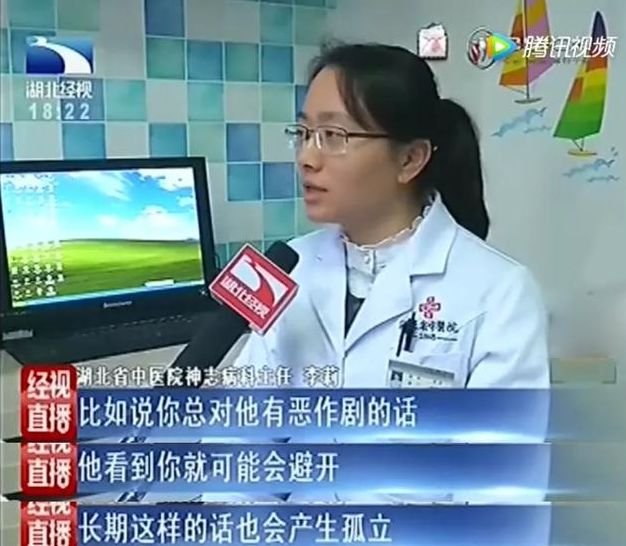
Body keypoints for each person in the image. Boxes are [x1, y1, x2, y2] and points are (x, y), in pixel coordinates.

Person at [229, 42, 550, 390]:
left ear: (410, 159)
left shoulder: (501, 293)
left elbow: (500, 428)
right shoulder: (286, 269)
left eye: (333, 136)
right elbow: (245, 411)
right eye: (303, 133)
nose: (307, 157)